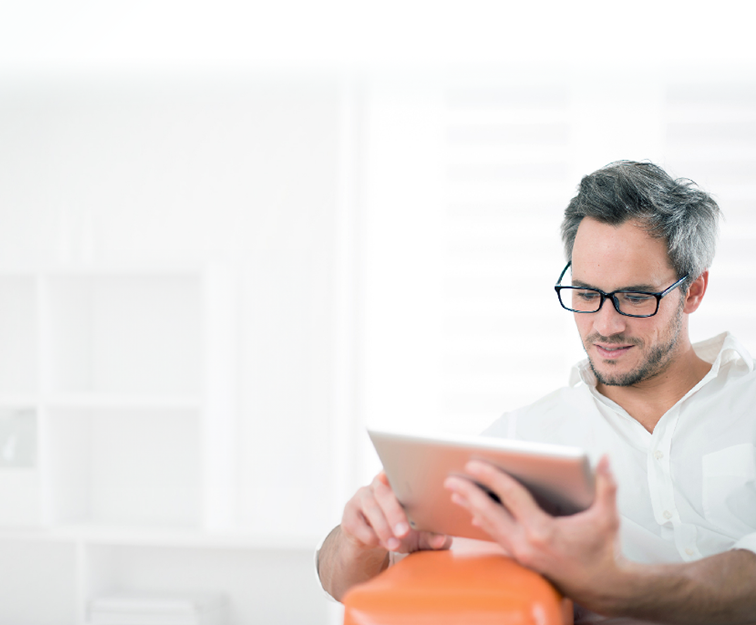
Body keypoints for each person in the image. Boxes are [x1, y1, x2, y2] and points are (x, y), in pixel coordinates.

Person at [317, 161, 756, 624]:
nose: (605, 325)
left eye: (634, 297)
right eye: (586, 294)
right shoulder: (525, 438)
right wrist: (359, 539)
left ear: (694, 291)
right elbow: (347, 582)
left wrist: (612, 585)